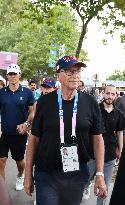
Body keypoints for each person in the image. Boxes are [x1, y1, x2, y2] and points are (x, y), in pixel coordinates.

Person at [24, 55, 107, 205]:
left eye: (77, 72)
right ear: (58, 75)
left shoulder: (90, 102)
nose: (75, 76)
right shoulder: (44, 102)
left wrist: (100, 173)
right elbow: (33, 138)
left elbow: (98, 138)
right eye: (69, 72)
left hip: (76, 174)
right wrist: (27, 174)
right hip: (47, 172)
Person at [83, 84, 125, 205]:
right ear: (103, 93)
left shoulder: (119, 114)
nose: (110, 96)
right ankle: (86, 188)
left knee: (104, 187)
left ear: (116, 96)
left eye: (112, 94)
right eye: (108, 93)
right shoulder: (94, 110)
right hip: (92, 153)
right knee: (85, 181)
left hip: (109, 155)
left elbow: (120, 133)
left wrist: (120, 150)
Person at [0, 64, 35, 191]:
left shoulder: (27, 93)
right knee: (1, 160)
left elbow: (32, 112)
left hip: (19, 135)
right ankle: (2, 189)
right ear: (7, 76)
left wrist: (26, 124)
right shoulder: (1, 93)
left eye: (15, 73)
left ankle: (20, 175)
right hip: (4, 134)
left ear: (19, 75)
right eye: (10, 74)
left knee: (19, 162)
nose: (13, 76)